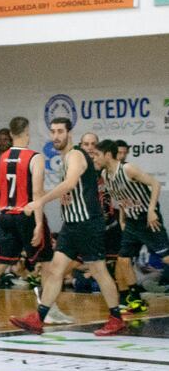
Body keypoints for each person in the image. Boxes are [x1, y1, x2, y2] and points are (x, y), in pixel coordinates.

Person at [10, 118, 126, 336]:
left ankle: (116, 318)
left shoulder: (75, 155)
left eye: (60, 131)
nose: (56, 136)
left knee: (99, 270)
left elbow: (71, 183)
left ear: (69, 133)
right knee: (55, 270)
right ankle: (39, 317)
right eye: (52, 131)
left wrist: (41, 201)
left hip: (87, 224)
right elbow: (71, 189)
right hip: (71, 225)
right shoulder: (66, 158)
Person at [0, 117, 56, 327]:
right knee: (47, 264)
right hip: (26, 214)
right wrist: (39, 224)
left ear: (11, 134)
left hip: (4, 215)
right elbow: (37, 193)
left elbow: (2, 190)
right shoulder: (35, 157)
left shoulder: (2, 158)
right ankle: (48, 309)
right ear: (26, 132)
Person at [94, 139, 169, 309]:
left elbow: (155, 184)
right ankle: (135, 298)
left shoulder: (127, 169)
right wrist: (122, 218)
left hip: (147, 219)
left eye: (97, 155)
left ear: (107, 155)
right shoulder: (106, 175)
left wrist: (151, 210)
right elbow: (122, 198)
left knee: (165, 257)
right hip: (132, 222)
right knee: (123, 260)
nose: (95, 159)